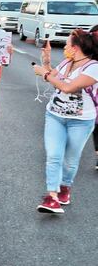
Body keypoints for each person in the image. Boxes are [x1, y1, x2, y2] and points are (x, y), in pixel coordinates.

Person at [32, 29, 98, 214]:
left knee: (70, 160)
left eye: (68, 45)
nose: (65, 47)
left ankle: (65, 187)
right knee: (54, 155)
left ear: (76, 48)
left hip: (81, 121)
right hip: (54, 115)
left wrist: (44, 74)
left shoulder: (93, 67)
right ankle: (52, 197)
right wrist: (46, 62)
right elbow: (55, 78)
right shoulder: (67, 62)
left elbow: (68, 87)